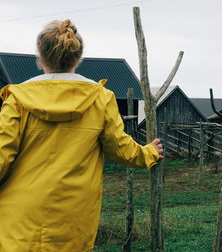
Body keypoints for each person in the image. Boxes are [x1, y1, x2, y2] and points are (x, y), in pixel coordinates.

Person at [0, 19, 163, 251]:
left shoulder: (17, 99)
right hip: (74, 214)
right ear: (78, 57)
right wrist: (148, 153)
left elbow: (1, 156)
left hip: (20, 215)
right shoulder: (100, 98)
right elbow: (121, 149)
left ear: (40, 57)